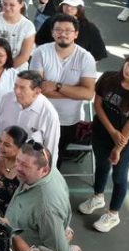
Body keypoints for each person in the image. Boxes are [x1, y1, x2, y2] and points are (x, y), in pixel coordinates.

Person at [79, 54, 129, 233]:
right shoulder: (108, 78)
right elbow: (97, 105)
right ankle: (98, 197)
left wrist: (118, 148)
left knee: (119, 176)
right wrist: (112, 132)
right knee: (101, 166)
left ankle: (113, 214)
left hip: (126, 141)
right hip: (101, 134)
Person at [29, 15, 97, 161]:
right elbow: (36, 89)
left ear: (76, 34)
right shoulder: (40, 52)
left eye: (68, 30)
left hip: (68, 121)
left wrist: (56, 86)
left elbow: (88, 94)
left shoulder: (86, 58)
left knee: (54, 160)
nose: (63, 34)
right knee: (32, 156)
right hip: (40, 116)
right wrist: (74, 92)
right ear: (52, 33)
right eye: (58, 30)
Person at [4, 141, 76, 251]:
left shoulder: (45, 208)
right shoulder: (45, 170)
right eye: (18, 160)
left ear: (44, 170)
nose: (18, 167)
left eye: (25, 165)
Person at [0, 125, 29, 215]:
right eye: (0, 141)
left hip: (2, 218)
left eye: (7, 145)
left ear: (20, 148)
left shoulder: (22, 172)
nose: (0, 146)